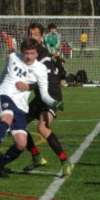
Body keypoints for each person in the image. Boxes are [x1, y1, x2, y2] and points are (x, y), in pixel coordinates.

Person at [0, 38, 63, 177]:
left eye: (32, 53)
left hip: (21, 105)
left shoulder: (41, 69)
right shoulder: (13, 57)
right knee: (7, 117)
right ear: (22, 52)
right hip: (5, 94)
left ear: (37, 53)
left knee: (21, 143)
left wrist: (54, 103)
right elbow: (2, 75)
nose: (29, 56)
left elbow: (44, 95)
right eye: (26, 53)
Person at [19, 23, 73, 177]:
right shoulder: (29, 53)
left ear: (41, 37)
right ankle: (37, 157)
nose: (32, 37)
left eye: (36, 34)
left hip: (51, 95)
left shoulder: (43, 56)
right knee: (18, 124)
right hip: (39, 96)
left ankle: (65, 162)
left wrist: (28, 86)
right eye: (30, 34)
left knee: (42, 128)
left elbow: (47, 80)